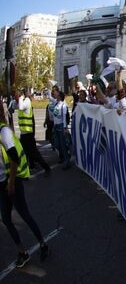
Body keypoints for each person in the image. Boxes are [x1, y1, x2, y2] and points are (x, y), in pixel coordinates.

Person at [0, 103, 49, 267]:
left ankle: (43, 244)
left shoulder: (4, 132)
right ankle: (22, 252)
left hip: (11, 181)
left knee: (25, 215)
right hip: (1, 183)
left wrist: (11, 182)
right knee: (6, 219)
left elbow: (14, 157)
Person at [16, 89, 51, 175]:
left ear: (21, 95)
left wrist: (20, 97)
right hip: (24, 133)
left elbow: (20, 107)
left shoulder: (26, 101)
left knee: (34, 152)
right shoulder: (23, 101)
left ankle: (46, 167)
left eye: (16, 95)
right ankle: (25, 170)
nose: (15, 96)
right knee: (25, 153)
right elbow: (14, 106)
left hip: (28, 133)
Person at [50, 91, 72, 169]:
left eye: (58, 95)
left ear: (60, 96)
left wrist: (65, 127)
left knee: (63, 145)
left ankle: (66, 161)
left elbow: (64, 117)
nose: (56, 96)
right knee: (56, 144)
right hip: (55, 126)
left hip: (61, 126)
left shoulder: (63, 105)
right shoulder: (56, 103)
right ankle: (65, 156)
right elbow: (51, 97)